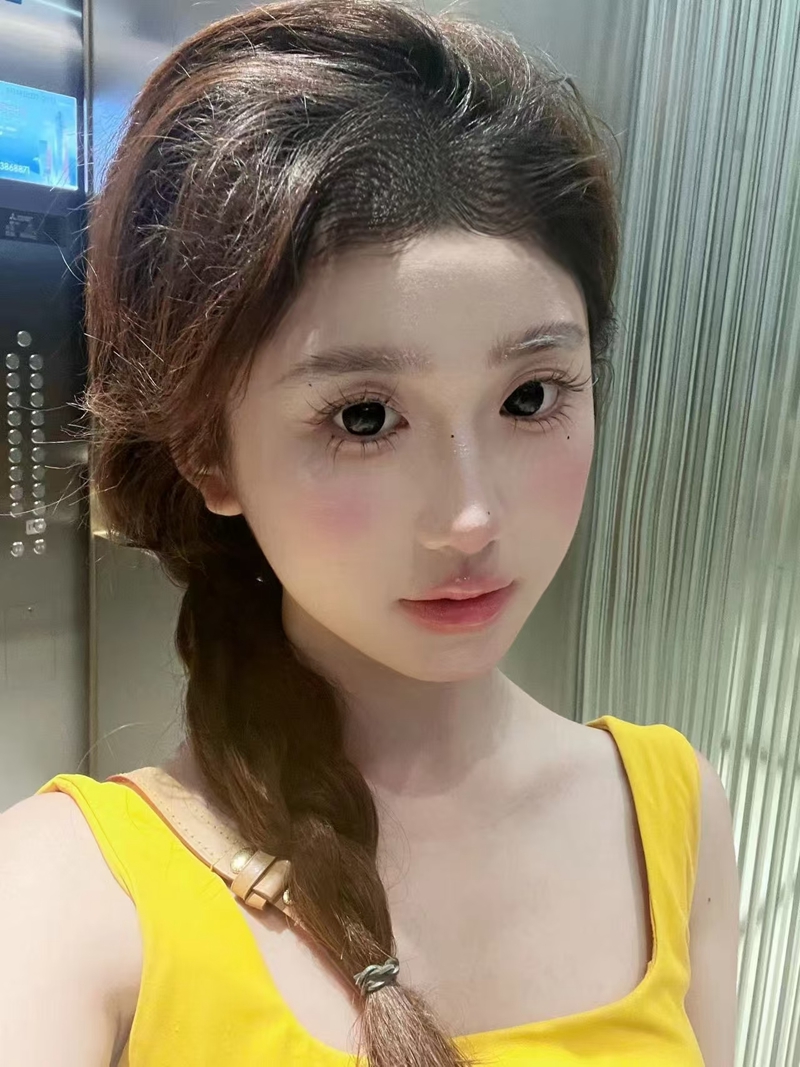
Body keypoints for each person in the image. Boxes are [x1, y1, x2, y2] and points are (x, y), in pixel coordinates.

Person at [0, 2, 740, 1065]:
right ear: (207, 451)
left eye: (531, 396)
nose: (471, 515)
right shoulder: (66, 897)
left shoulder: (667, 813)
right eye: (362, 417)